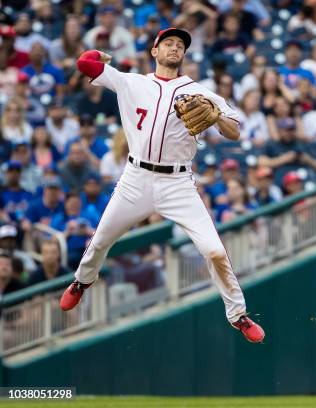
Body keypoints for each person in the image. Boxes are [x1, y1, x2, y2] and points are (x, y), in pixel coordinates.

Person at [60, 27, 265, 343]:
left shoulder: (199, 92)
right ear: (154, 51)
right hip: (135, 179)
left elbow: (235, 131)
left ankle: (238, 315)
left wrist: (215, 118)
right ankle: (81, 282)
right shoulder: (132, 82)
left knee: (214, 251)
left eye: (180, 45)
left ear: (184, 55)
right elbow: (85, 64)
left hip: (177, 183)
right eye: (168, 43)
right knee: (100, 240)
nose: (175, 47)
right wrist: (100, 56)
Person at [50, 190, 100, 270]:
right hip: (68, 252)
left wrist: (87, 231)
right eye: (72, 203)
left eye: (76, 203)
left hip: (88, 249)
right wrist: (68, 231)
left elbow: (101, 234)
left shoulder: (89, 215)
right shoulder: (59, 219)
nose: (74, 206)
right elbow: (52, 241)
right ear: (66, 204)